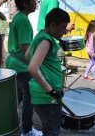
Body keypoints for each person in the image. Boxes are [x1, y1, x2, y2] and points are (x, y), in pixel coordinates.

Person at [29, 8, 70, 136]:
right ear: (52, 25)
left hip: (42, 94)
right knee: (51, 131)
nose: (64, 31)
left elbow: (27, 55)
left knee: (48, 129)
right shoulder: (46, 41)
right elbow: (33, 67)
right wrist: (51, 90)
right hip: (47, 97)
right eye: (62, 27)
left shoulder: (40, 35)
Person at [5, 0, 42, 136]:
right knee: (29, 99)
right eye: (33, 0)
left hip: (14, 64)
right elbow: (24, 48)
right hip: (21, 67)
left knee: (19, 98)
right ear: (26, 4)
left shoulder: (19, 17)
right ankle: (26, 131)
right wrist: (36, 64)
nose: (35, 3)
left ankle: (11, 125)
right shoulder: (23, 21)